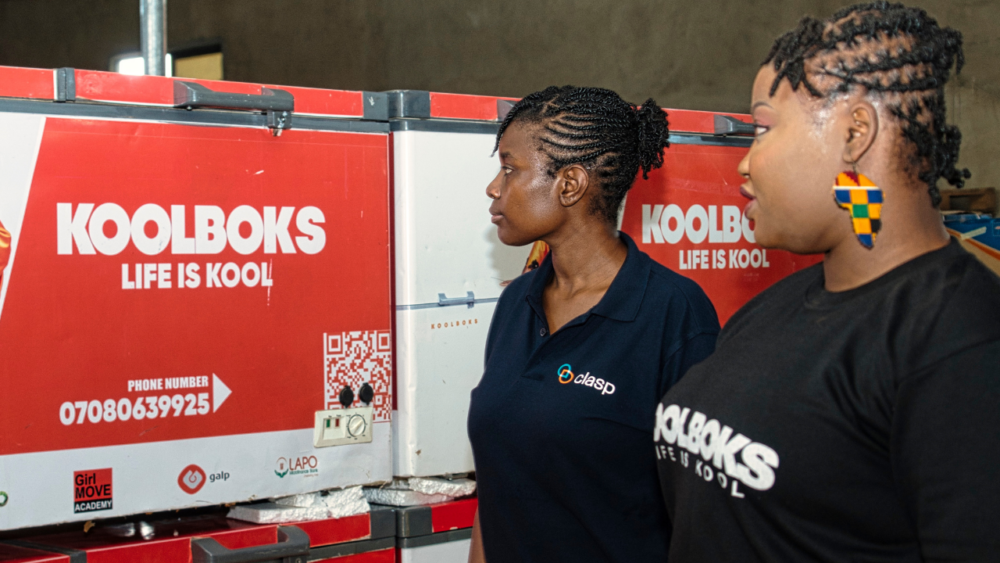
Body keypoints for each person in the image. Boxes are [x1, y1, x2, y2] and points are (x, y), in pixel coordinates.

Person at [656, 3, 1000, 561]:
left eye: (762, 128)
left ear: (854, 135)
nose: (744, 164)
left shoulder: (959, 345)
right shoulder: (774, 309)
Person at [467, 86, 720, 562]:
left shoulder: (673, 312)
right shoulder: (516, 302)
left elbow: (703, 512)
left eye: (509, 168)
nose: (493, 188)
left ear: (570, 185)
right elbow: (497, 487)